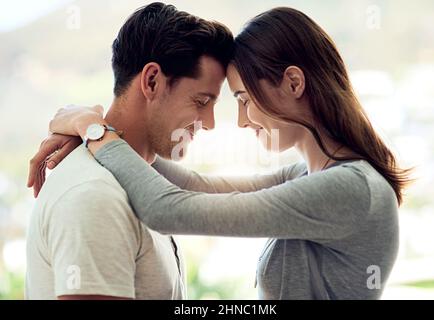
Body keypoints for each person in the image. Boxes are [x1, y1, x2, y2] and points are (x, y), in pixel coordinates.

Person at [29, 7, 413, 299]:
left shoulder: (349, 189)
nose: (241, 121)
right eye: (207, 100)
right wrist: (94, 130)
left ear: (293, 83)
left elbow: (169, 210)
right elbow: (196, 186)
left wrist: (95, 131)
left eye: (244, 100)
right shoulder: (307, 176)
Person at [25, 2, 234, 300]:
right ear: (152, 81)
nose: (210, 123)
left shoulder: (142, 182)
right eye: (201, 102)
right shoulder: (96, 196)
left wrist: (90, 126)